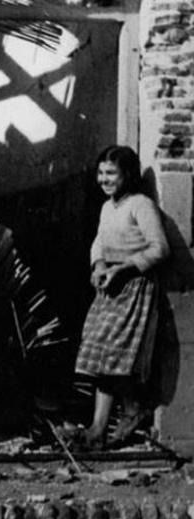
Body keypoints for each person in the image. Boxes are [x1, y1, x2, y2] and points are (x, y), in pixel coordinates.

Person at [74, 145, 171, 449]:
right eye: (101, 173)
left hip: (134, 285)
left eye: (111, 173)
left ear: (127, 174)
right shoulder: (107, 208)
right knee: (100, 350)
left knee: (114, 353)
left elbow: (160, 249)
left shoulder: (140, 205)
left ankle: (118, 418)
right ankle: (100, 426)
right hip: (110, 285)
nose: (104, 179)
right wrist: (100, 265)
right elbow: (99, 242)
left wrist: (125, 269)